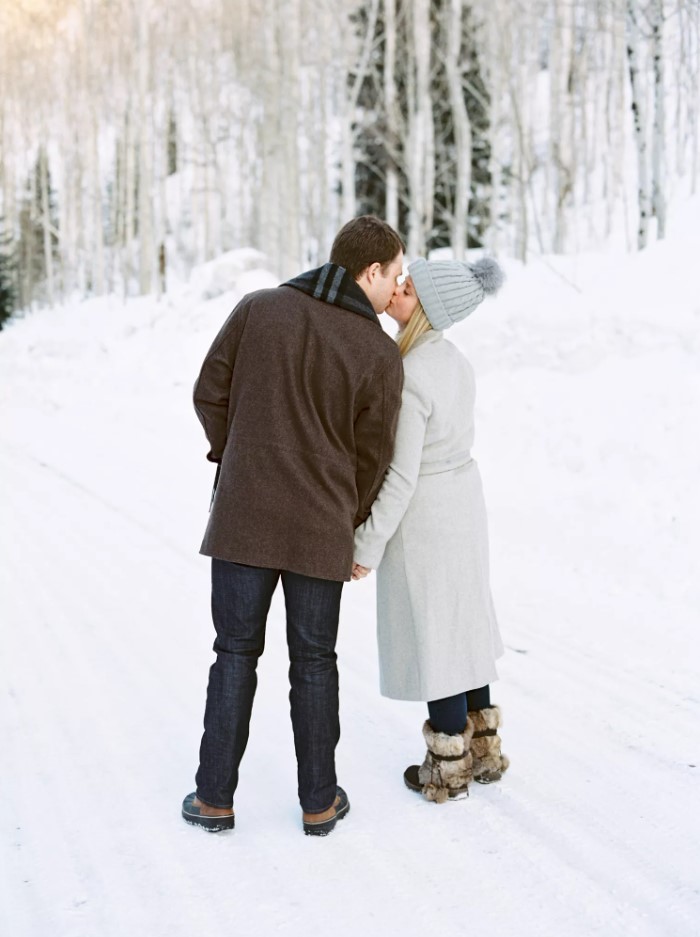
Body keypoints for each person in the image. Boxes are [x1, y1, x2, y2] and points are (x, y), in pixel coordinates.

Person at [182, 216, 405, 835]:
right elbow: (374, 454)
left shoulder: (259, 309)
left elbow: (209, 392)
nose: (396, 290)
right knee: (314, 662)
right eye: (394, 275)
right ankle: (318, 802)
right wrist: (348, 511)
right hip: (319, 528)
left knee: (233, 654)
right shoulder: (378, 352)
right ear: (370, 271)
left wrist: (243, 455)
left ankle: (214, 799)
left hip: (242, 522)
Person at [352, 256, 509, 804]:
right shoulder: (454, 361)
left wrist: (366, 544)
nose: (396, 290)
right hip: (464, 503)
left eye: (409, 289)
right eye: (401, 282)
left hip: (430, 516)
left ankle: (448, 767)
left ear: (428, 307)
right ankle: (484, 749)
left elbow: (400, 474)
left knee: (436, 632)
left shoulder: (412, 372)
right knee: (462, 622)